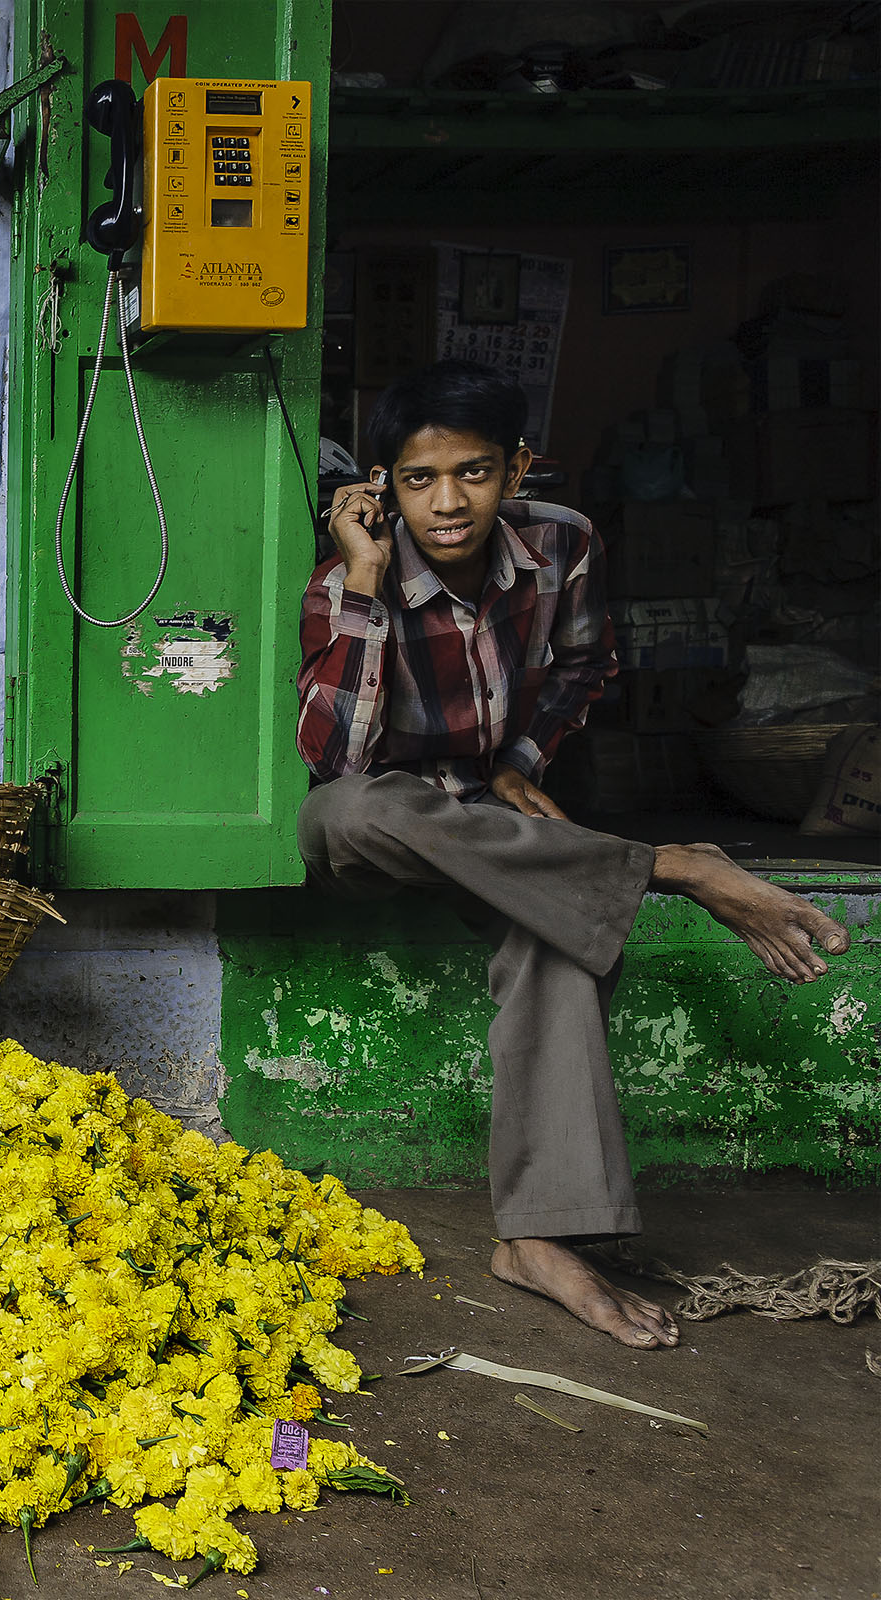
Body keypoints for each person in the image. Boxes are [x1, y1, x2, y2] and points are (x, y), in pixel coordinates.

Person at [296, 360, 850, 1350]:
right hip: (389, 819)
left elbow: (589, 665)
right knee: (349, 809)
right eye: (418, 480)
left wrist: (517, 756)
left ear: (517, 469)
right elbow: (337, 757)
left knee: (556, 925)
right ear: (383, 487)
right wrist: (369, 583)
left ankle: (539, 1238)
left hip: (503, 832)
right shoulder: (348, 579)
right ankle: (671, 864)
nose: (448, 501)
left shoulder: (565, 545)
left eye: (473, 472)